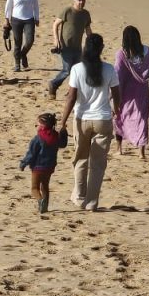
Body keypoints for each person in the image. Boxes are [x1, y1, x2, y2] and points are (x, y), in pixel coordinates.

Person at [59, 33, 121, 211]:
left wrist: (62, 121)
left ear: (86, 48)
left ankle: (79, 196)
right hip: (103, 119)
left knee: (80, 159)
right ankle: (92, 202)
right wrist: (117, 109)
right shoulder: (109, 69)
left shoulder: (77, 69)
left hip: (82, 119)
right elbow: (116, 93)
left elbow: (71, 97)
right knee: (98, 164)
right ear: (101, 48)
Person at [19, 112, 69, 214]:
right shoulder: (56, 136)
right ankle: (45, 207)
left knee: (34, 188)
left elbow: (31, 153)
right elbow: (63, 144)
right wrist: (64, 132)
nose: (37, 126)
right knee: (45, 186)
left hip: (38, 167)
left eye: (38, 124)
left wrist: (23, 163)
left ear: (42, 126)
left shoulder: (38, 139)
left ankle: (41, 201)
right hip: (49, 167)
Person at [114, 25, 149, 159]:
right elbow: (148, 71)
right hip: (141, 91)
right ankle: (141, 153)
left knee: (119, 117)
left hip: (126, 91)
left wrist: (115, 94)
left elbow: (118, 74)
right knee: (142, 119)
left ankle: (119, 149)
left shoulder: (121, 54)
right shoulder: (147, 51)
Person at [46, 0, 92, 99]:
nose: (81, 2)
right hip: (65, 46)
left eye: (83, 0)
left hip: (77, 48)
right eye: (79, 0)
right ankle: (54, 84)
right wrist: (56, 39)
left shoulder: (86, 14)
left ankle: (72, 92)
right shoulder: (67, 11)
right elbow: (55, 24)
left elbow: (88, 29)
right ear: (74, 1)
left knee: (77, 71)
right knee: (67, 70)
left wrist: (92, 42)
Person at [4, 0, 40, 72]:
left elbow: (36, 4)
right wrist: (7, 19)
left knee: (30, 40)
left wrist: (37, 17)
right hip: (16, 19)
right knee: (17, 42)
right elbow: (9, 5)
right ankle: (17, 64)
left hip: (29, 19)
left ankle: (23, 54)